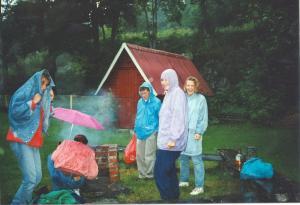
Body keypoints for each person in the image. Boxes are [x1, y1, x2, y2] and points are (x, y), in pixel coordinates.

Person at [6, 69, 55, 205]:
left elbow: (45, 115)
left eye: (47, 84)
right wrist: (32, 102)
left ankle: (22, 201)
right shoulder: (24, 92)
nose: (44, 87)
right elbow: (14, 112)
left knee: (37, 177)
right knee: (30, 179)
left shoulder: (42, 95)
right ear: (36, 81)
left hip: (33, 140)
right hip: (21, 138)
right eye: (42, 83)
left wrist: (49, 100)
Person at [154, 68, 188, 202]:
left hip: (171, 142)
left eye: (166, 79)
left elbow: (178, 118)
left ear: (173, 79)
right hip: (165, 141)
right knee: (169, 171)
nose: (163, 82)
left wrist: (173, 138)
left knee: (160, 172)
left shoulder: (177, 94)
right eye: (161, 79)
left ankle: (167, 199)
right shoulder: (170, 93)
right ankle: (174, 198)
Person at [179, 76, 208, 195]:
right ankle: (184, 180)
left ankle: (199, 186)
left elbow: (203, 117)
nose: (190, 87)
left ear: (195, 87)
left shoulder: (201, 99)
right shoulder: (182, 97)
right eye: (188, 85)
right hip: (182, 134)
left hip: (194, 134)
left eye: (192, 85)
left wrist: (199, 132)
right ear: (185, 86)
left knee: (197, 160)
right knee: (183, 158)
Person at [134, 82, 161, 179]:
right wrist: (135, 129)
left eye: (145, 93)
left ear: (149, 91)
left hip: (151, 132)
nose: (143, 95)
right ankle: (142, 174)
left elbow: (160, 117)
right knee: (139, 155)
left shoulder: (157, 102)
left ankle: (149, 175)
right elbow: (138, 116)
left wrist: (157, 129)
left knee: (149, 155)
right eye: (141, 94)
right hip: (140, 132)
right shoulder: (139, 102)